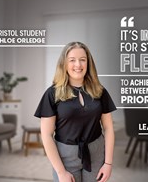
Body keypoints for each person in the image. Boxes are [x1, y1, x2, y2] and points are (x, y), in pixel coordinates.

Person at [34, 41, 116, 182]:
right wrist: (60, 172)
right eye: (72, 60)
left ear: (88, 63)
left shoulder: (100, 91)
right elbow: (46, 135)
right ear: (64, 64)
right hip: (65, 158)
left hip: (96, 154)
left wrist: (108, 163)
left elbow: (108, 128)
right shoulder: (52, 94)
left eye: (82, 60)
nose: (78, 65)